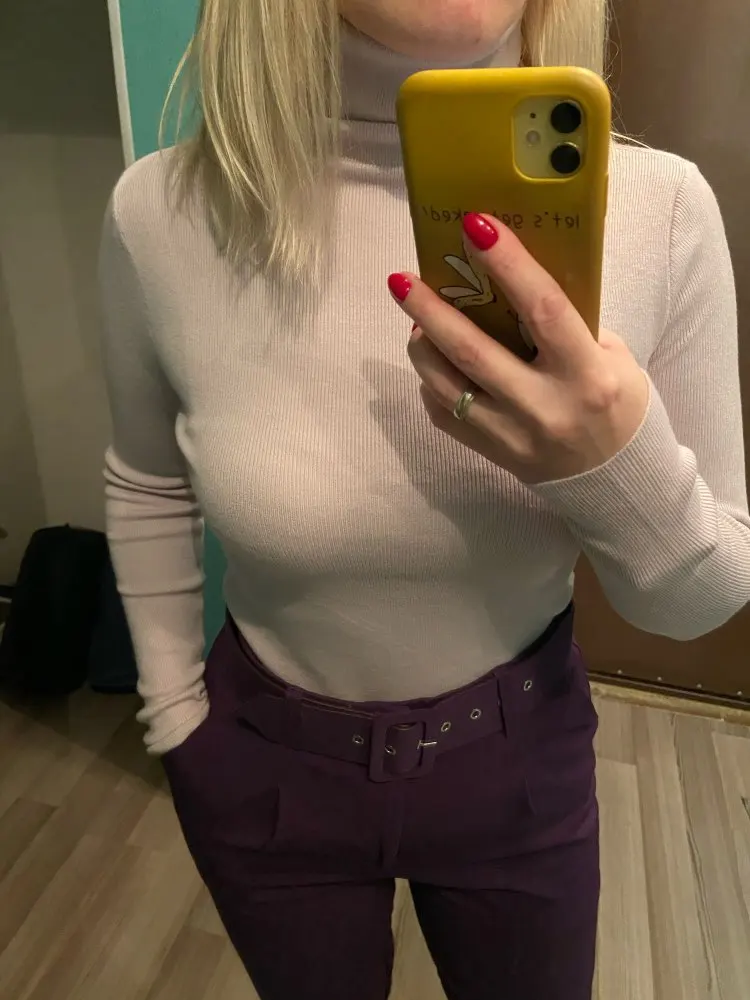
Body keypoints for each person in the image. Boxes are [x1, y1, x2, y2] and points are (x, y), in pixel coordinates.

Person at [98, 1, 750, 998]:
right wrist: (172, 713)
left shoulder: (662, 212)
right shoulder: (161, 212)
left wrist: (612, 465)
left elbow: (699, 603)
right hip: (264, 766)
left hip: (519, 765)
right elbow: (145, 477)